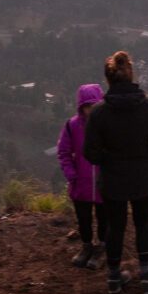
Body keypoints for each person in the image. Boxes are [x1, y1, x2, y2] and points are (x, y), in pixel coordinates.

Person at [81, 50, 148, 294]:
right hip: (142, 177)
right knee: (144, 223)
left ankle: (114, 277)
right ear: (132, 75)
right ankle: (147, 276)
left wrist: (110, 160)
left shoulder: (99, 113)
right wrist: (145, 157)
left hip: (112, 180)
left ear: (108, 80)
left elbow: (90, 152)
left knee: (115, 225)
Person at [56, 81, 106, 270]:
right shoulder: (73, 126)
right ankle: (86, 246)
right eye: (87, 106)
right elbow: (64, 152)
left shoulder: (107, 125)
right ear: (81, 107)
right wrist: (71, 175)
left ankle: (102, 247)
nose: (90, 110)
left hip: (103, 185)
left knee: (104, 219)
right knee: (83, 219)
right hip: (81, 184)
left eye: (94, 105)